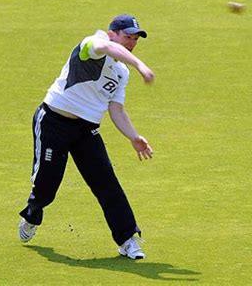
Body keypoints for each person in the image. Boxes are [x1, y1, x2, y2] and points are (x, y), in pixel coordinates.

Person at [18, 14, 155, 259]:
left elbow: (117, 109)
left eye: (135, 39)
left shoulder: (122, 73)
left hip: (86, 131)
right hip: (53, 122)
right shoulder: (92, 45)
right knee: (47, 186)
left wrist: (133, 137)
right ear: (112, 33)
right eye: (127, 37)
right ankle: (32, 213)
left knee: (107, 184)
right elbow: (107, 47)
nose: (132, 43)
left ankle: (127, 239)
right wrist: (140, 64)